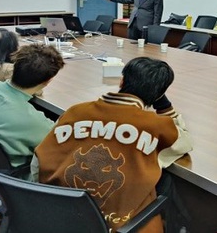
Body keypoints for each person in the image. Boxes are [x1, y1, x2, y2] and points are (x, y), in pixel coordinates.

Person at [33, 57, 192, 233]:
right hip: (118, 225)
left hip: (55, 215)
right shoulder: (157, 126)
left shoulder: (75, 111)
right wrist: (164, 105)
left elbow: (38, 160)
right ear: (158, 95)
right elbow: (185, 142)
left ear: (122, 81)